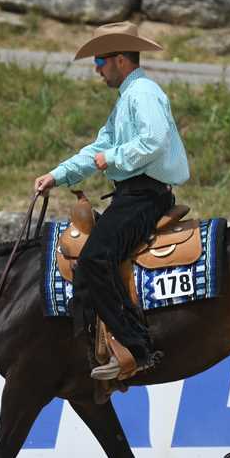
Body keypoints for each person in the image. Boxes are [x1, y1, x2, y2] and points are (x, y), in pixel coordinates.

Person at [33, 22, 190, 381]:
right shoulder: (127, 100)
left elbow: (154, 141)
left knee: (94, 259)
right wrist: (58, 175)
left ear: (121, 59)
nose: (97, 69)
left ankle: (137, 348)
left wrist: (114, 158)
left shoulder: (142, 93)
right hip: (133, 195)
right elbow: (98, 149)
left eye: (100, 61)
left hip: (143, 196)